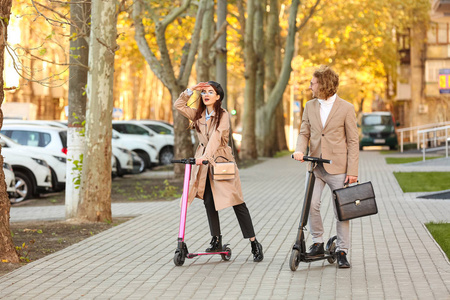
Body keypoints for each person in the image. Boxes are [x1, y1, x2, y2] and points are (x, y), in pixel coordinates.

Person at [174, 81, 264, 262]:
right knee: (208, 200)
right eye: (204, 92)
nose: (206, 95)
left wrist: (206, 156)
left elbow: (216, 137)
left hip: (221, 160)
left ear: (218, 96)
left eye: (211, 92)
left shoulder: (222, 115)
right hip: (204, 161)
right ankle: (216, 239)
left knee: (236, 201)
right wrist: (191, 90)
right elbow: (179, 105)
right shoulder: (198, 114)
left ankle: (254, 242)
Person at [292, 66, 359, 268]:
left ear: (323, 85)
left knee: (342, 211)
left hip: (339, 167)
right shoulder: (309, 106)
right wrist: (299, 150)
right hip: (315, 166)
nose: (310, 86)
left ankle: (342, 251)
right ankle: (318, 242)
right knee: (311, 205)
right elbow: (304, 132)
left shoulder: (346, 108)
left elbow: (353, 141)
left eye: (313, 83)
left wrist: (353, 171)